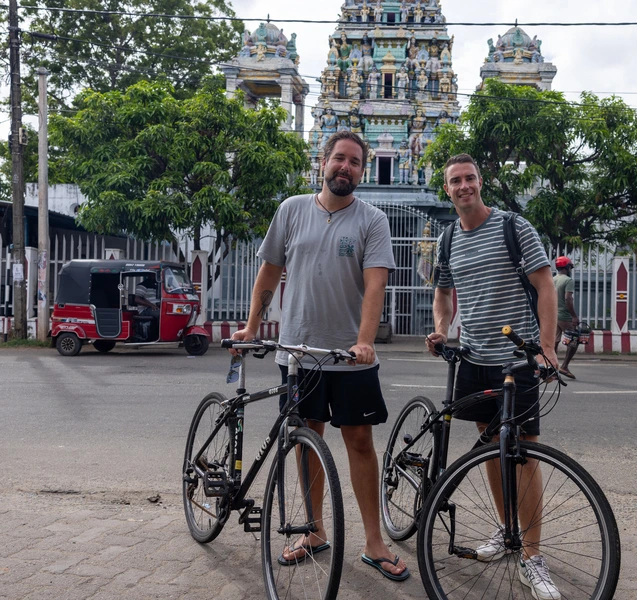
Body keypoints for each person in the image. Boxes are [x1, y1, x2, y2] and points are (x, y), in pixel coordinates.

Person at [230, 131, 409, 582]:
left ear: (362, 171)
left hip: (350, 357)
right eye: (338, 159)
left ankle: (373, 540)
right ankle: (313, 529)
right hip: (297, 352)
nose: (344, 167)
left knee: (360, 443)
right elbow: (269, 269)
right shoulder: (291, 209)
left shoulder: (372, 220)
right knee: (306, 439)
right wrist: (253, 325)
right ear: (323, 162)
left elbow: (375, 285)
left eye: (354, 162)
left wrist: (364, 340)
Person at [425, 153, 562, 600]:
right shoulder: (447, 239)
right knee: (488, 448)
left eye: (469, 178)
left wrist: (546, 347)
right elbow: (443, 292)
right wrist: (443, 329)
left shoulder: (513, 227)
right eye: (454, 181)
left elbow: (545, 285)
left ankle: (533, 554)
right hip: (475, 358)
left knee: (523, 455)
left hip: (517, 360)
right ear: (446, 189)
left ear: (480, 182)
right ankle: (506, 534)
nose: (463, 186)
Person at [554, 255, 580, 380]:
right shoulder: (568, 280)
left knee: (554, 341)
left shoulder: (553, 279)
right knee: (574, 339)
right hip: (564, 315)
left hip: (553, 315)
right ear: (567, 267)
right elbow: (568, 299)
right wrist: (574, 316)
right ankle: (564, 366)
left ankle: (551, 367)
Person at [134, 276, 160, 341]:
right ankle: (158, 335)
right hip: (145, 309)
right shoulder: (143, 285)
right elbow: (137, 299)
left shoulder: (158, 286)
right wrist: (151, 305)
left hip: (156, 307)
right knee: (161, 315)